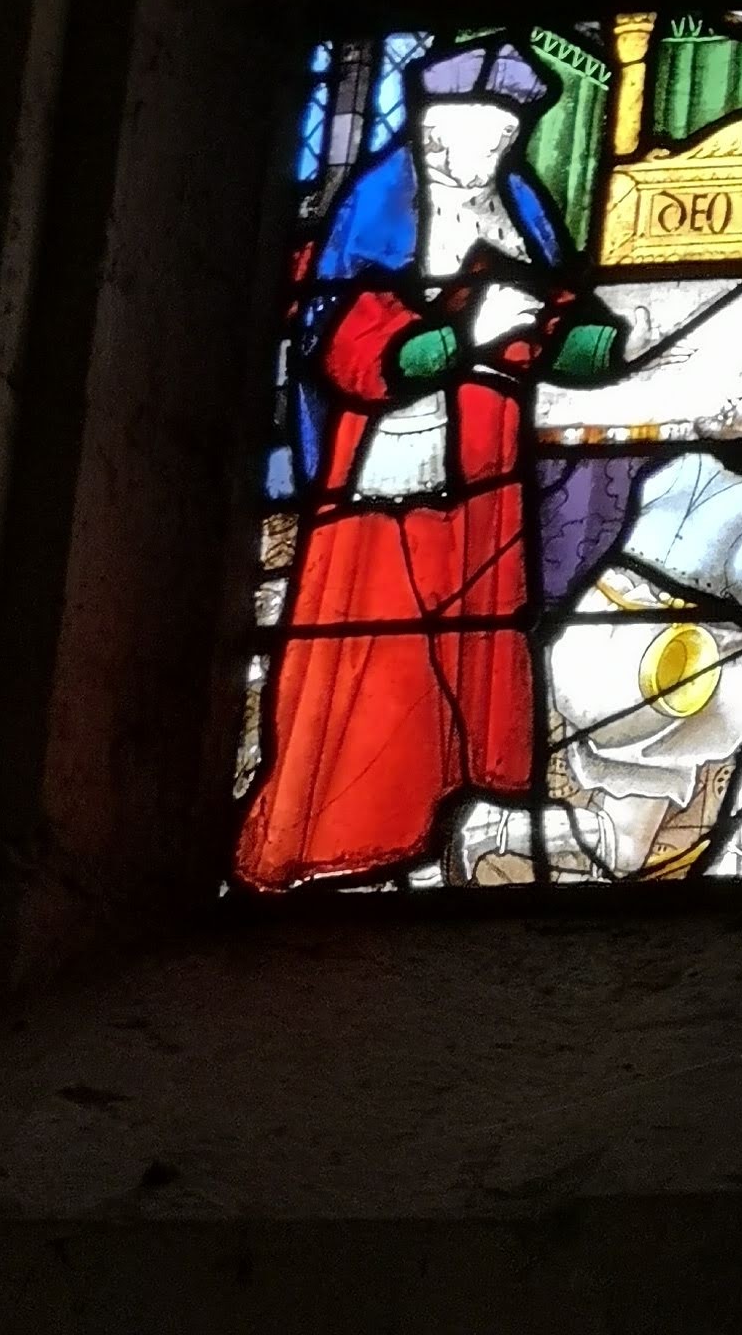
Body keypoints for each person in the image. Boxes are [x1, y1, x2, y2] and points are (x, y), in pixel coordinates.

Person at [236, 48, 620, 889]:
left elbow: (569, 333)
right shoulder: (378, 228)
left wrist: (598, 338)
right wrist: (463, 335)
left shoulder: (516, 222)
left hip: (485, 482)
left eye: (492, 141)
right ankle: (345, 840)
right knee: (381, 657)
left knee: (477, 645)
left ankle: (475, 805)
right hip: (383, 489)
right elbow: (352, 357)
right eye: (444, 140)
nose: (463, 160)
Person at [513, 362, 742, 881]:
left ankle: (493, 828)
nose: (741, 404)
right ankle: (740, 863)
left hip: (586, 650)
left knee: (623, 851)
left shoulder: (686, 463)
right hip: (654, 670)